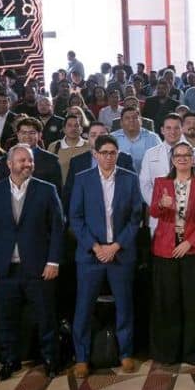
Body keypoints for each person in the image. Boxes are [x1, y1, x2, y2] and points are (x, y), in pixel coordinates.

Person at [0, 144, 65, 380]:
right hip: (4, 269)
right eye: (22, 161)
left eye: (30, 160)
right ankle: (9, 361)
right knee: (7, 319)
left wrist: (53, 261)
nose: (28, 164)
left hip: (39, 267)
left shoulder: (46, 190)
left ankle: (51, 360)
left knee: (46, 317)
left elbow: (58, 228)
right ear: (9, 164)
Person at [69, 135, 146, 377]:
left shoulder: (129, 179)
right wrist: (96, 247)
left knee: (125, 305)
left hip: (120, 254)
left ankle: (125, 353)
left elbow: (136, 218)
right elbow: (75, 218)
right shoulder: (82, 179)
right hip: (90, 255)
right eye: (104, 153)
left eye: (113, 152)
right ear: (95, 154)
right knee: (83, 307)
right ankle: (82, 358)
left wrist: (115, 246)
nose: (109, 157)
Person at [149, 142, 195, 365]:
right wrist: (161, 203)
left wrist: (190, 242)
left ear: (193, 159)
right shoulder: (162, 182)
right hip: (165, 251)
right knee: (169, 303)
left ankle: (194, 352)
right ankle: (168, 352)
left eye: (187, 155)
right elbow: (153, 212)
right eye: (178, 155)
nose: (183, 158)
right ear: (172, 159)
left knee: (194, 303)